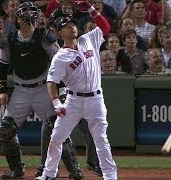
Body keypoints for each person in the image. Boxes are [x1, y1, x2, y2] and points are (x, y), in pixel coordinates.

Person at [0, 1, 83, 179]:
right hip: (21, 89)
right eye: (27, 13)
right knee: (5, 128)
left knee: (56, 127)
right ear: (18, 18)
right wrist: (3, 89)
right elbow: (2, 64)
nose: (32, 16)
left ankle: (75, 170)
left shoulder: (46, 36)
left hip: (43, 87)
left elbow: (60, 63)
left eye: (33, 12)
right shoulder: (9, 39)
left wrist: (62, 90)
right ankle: (17, 170)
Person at [36, 1, 117, 179]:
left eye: (73, 24)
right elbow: (51, 82)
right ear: (59, 33)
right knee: (56, 138)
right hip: (73, 101)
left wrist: (91, 9)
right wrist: (57, 102)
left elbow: (105, 26)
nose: (72, 27)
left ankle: (110, 176)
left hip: (96, 99)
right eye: (67, 26)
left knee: (101, 140)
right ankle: (48, 174)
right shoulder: (60, 57)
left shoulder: (88, 39)